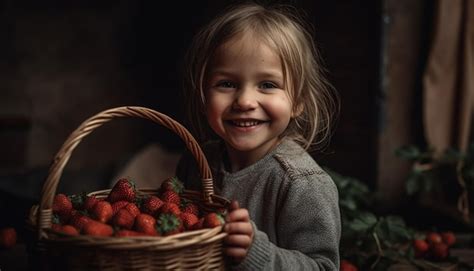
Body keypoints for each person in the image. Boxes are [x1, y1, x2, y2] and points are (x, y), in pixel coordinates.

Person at [176, 2, 341, 270]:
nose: (244, 101)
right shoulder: (197, 161)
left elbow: (322, 266)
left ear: (298, 100)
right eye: (227, 84)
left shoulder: (302, 185)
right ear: (204, 93)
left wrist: (256, 252)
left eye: (267, 85)